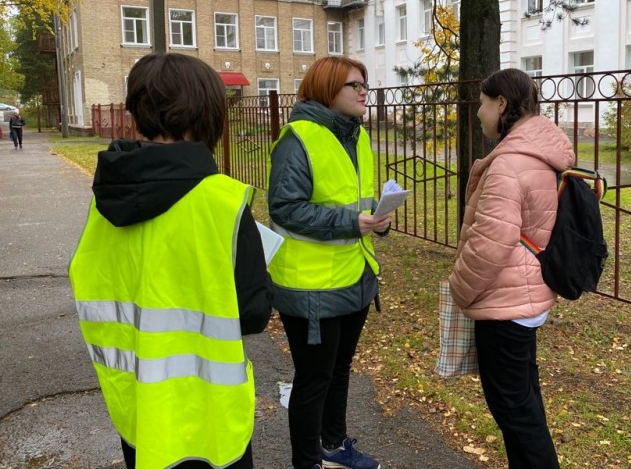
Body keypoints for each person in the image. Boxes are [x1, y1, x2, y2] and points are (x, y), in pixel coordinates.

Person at [69, 53, 271, 469]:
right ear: (209, 114)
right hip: (208, 417)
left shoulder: (107, 199)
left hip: (137, 408)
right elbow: (252, 314)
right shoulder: (224, 202)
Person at [448, 68, 575, 469]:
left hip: (505, 300)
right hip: (527, 294)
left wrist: (460, 289)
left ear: (501, 104)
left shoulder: (508, 163)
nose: (479, 114)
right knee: (523, 401)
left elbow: (491, 244)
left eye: (483, 105)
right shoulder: (540, 153)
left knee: (515, 412)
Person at [268, 56, 390, 469]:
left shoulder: (357, 136)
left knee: (338, 372)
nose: (363, 93)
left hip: (353, 275)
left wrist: (378, 220)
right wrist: (351, 222)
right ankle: (307, 462)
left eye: (365, 86)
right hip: (310, 286)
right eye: (354, 85)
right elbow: (285, 209)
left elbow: (357, 200)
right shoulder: (298, 138)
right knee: (314, 379)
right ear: (326, 90)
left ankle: (333, 449)